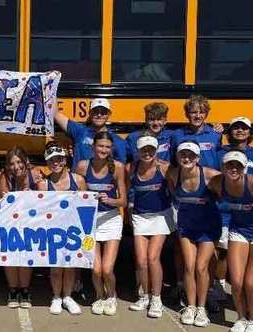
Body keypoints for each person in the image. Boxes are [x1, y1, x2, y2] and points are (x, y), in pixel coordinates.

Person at [208, 150, 253, 332]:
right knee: (237, 282)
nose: (233, 169)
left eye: (238, 165)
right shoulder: (216, 183)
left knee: (251, 282)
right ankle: (241, 318)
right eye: (229, 165)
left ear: (245, 167)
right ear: (223, 167)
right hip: (238, 230)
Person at [167, 142, 221, 327]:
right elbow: (173, 194)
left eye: (191, 155)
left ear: (198, 158)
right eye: (183, 155)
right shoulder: (173, 174)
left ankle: (201, 307)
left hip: (208, 227)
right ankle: (190, 306)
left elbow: (228, 194)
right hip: (186, 226)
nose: (187, 158)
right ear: (177, 157)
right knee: (189, 267)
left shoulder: (211, 176)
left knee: (201, 267)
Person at [75, 132, 127, 316]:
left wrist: (109, 200)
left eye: (107, 147)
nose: (103, 150)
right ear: (93, 147)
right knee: (96, 269)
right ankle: (99, 295)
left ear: (111, 149)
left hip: (111, 219)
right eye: (100, 146)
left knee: (106, 268)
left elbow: (123, 201)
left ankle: (111, 295)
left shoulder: (118, 167)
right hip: (90, 221)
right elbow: (77, 195)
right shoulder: (83, 166)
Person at [127, 135, 174, 318]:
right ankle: (145, 296)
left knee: (153, 258)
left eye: (151, 149)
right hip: (140, 216)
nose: (147, 153)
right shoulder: (131, 168)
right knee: (141, 260)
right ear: (138, 151)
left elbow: (176, 190)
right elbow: (128, 191)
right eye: (143, 149)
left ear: (156, 150)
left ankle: (156, 299)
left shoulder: (165, 167)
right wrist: (129, 212)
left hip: (161, 216)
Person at [38, 142, 86, 315]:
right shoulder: (43, 185)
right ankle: (57, 297)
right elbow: (40, 210)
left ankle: (68, 296)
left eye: (59, 159)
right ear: (47, 163)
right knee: (56, 268)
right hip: (53, 230)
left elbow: (86, 205)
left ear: (65, 160)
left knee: (70, 266)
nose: (56, 163)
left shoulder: (78, 180)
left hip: (74, 230)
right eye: (52, 160)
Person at [0, 146, 43, 308]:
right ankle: (12, 290)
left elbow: (45, 199)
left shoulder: (36, 174)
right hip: (11, 223)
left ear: (26, 161)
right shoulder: (5, 177)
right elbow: (2, 200)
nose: (16, 167)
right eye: (12, 163)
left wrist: (33, 194)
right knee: (10, 255)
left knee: (26, 255)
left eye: (19, 162)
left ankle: (24, 290)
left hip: (31, 223)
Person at [54, 98, 127, 164]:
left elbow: (120, 168)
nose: (99, 115)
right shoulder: (79, 131)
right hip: (78, 174)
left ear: (109, 114)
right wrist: (50, 90)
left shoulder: (117, 141)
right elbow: (55, 114)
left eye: (103, 112)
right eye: (95, 111)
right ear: (90, 113)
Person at [173, 95, 223, 169]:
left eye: (202, 112)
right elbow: (173, 161)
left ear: (206, 115)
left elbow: (220, 159)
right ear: (187, 114)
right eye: (193, 112)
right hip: (186, 175)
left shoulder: (215, 134)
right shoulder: (177, 135)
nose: (198, 116)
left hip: (211, 176)